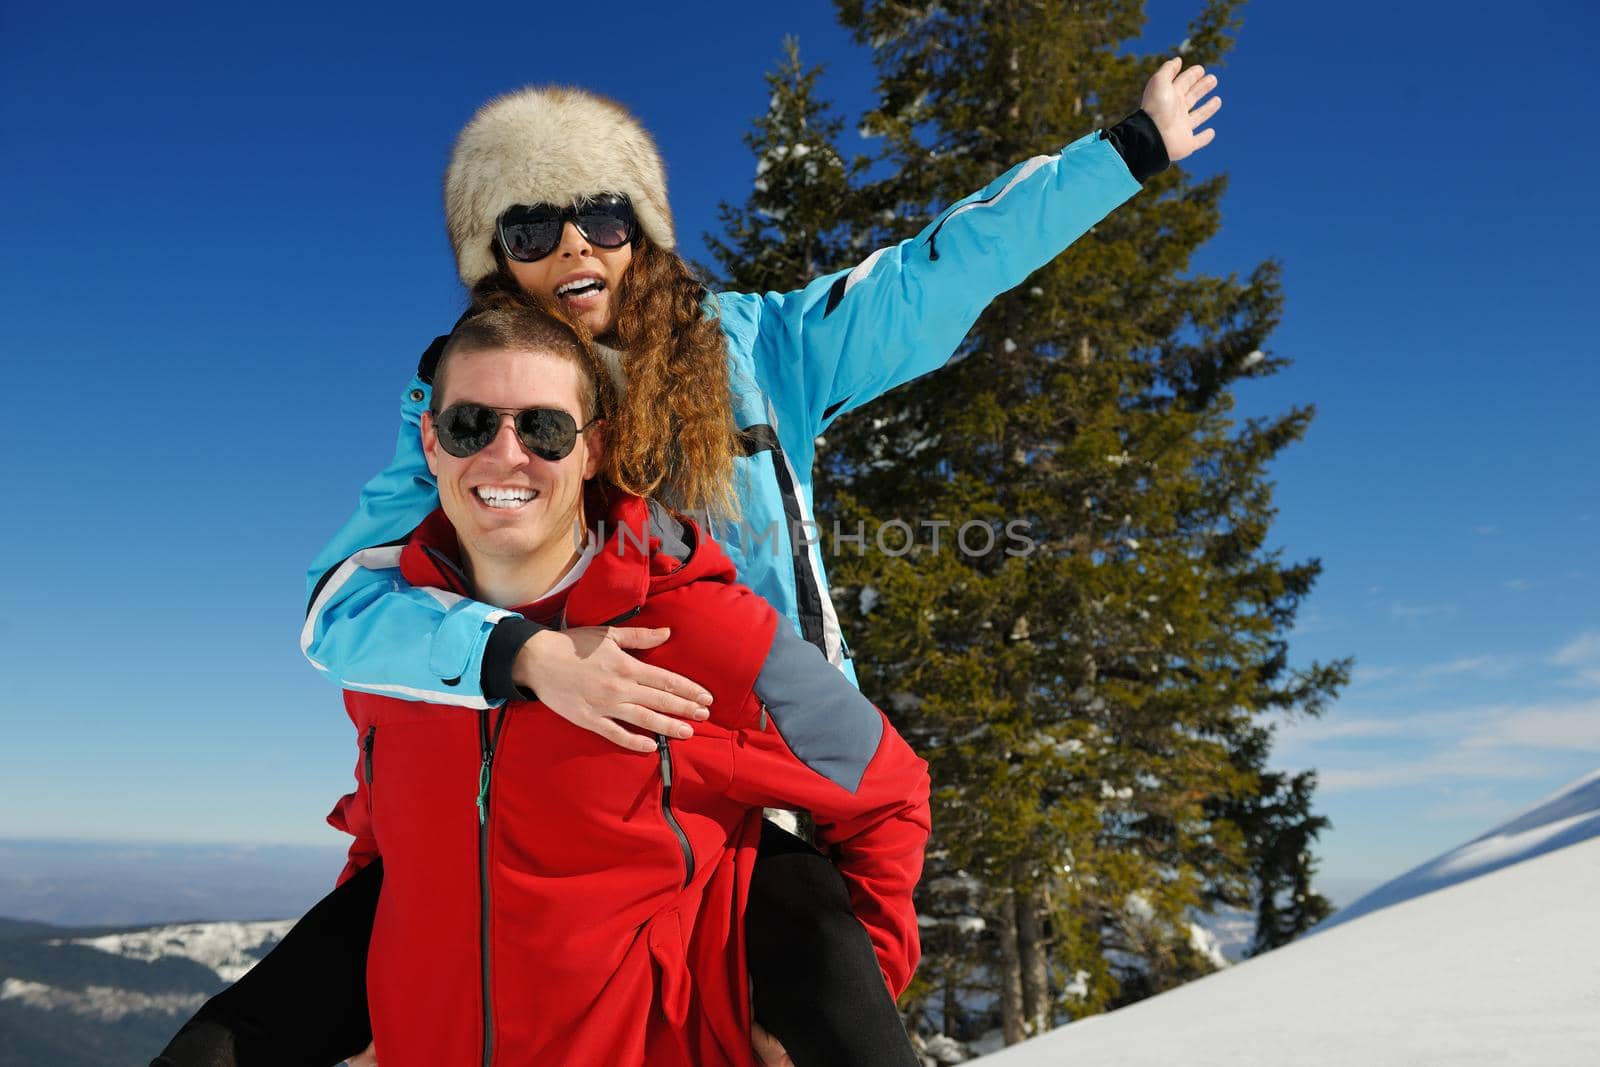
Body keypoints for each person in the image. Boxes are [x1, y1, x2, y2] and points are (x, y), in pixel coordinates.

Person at [156, 58, 1221, 1066]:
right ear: (496, 258)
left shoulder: (754, 355)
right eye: (532, 224)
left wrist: (1123, 152)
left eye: (604, 215)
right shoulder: (465, 409)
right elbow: (345, 607)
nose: (575, 245)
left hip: (749, 780)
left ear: (644, 233)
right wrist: (525, 655)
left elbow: (940, 270)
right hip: (545, 769)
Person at [335, 294, 931, 1065]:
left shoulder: (701, 633)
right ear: (431, 439)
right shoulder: (400, 652)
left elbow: (890, 790)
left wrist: (851, 992)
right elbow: (384, 837)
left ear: (591, 448)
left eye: (544, 428)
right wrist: (368, 995)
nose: (505, 454)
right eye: (470, 424)